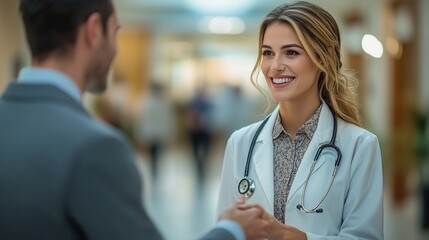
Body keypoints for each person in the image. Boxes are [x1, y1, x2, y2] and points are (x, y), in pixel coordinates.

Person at [0, 1, 269, 240]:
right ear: (94, 30)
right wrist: (233, 231)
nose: (116, 48)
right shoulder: (95, 147)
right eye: (116, 32)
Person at [216, 1, 383, 240]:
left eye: (291, 52)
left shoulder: (360, 146)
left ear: (323, 58)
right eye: (267, 53)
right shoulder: (240, 143)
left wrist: (291, 236)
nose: (275, 66)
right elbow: (226, 231)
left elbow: (365, 237)